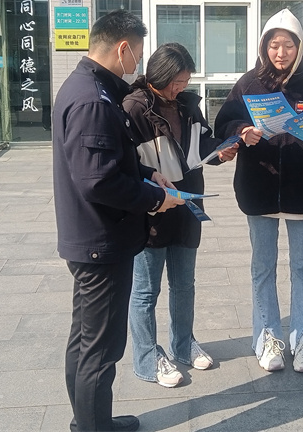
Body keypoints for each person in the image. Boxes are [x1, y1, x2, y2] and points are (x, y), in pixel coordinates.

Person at [53, 10, 184, 432]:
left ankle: (92, 421)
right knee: (100, 349)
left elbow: (109, 160)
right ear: (123, 48)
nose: (138, 64)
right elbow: (99, 181)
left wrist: (147, 174)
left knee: (85, 341)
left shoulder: (88, 88)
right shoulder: (93, 99)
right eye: (138, 54)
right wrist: (156, 199)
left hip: (91, 235)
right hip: (101, 239)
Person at [215, 8, 303, 374]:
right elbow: (224, 122)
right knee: (263, 268)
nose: (280, 52)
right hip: (258, 188)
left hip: (302, 192)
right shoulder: (249, 83)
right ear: (264, 46)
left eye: (288, 45)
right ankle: (268, 338)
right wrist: (242, 130)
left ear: (299, 46)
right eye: (274, 45)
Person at [123, 43, 239, 388]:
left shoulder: (188, 106)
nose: (181, 88)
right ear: (159, 76)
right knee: (146, 292)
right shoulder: (134, 108)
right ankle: (147, 357)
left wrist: (222, 151)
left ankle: (183, 344)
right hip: (152, 208)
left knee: (184, 284)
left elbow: (202, 147)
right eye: (176, 82)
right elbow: (125, 164)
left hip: (187, 205)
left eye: (186, 81)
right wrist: (150, 190)